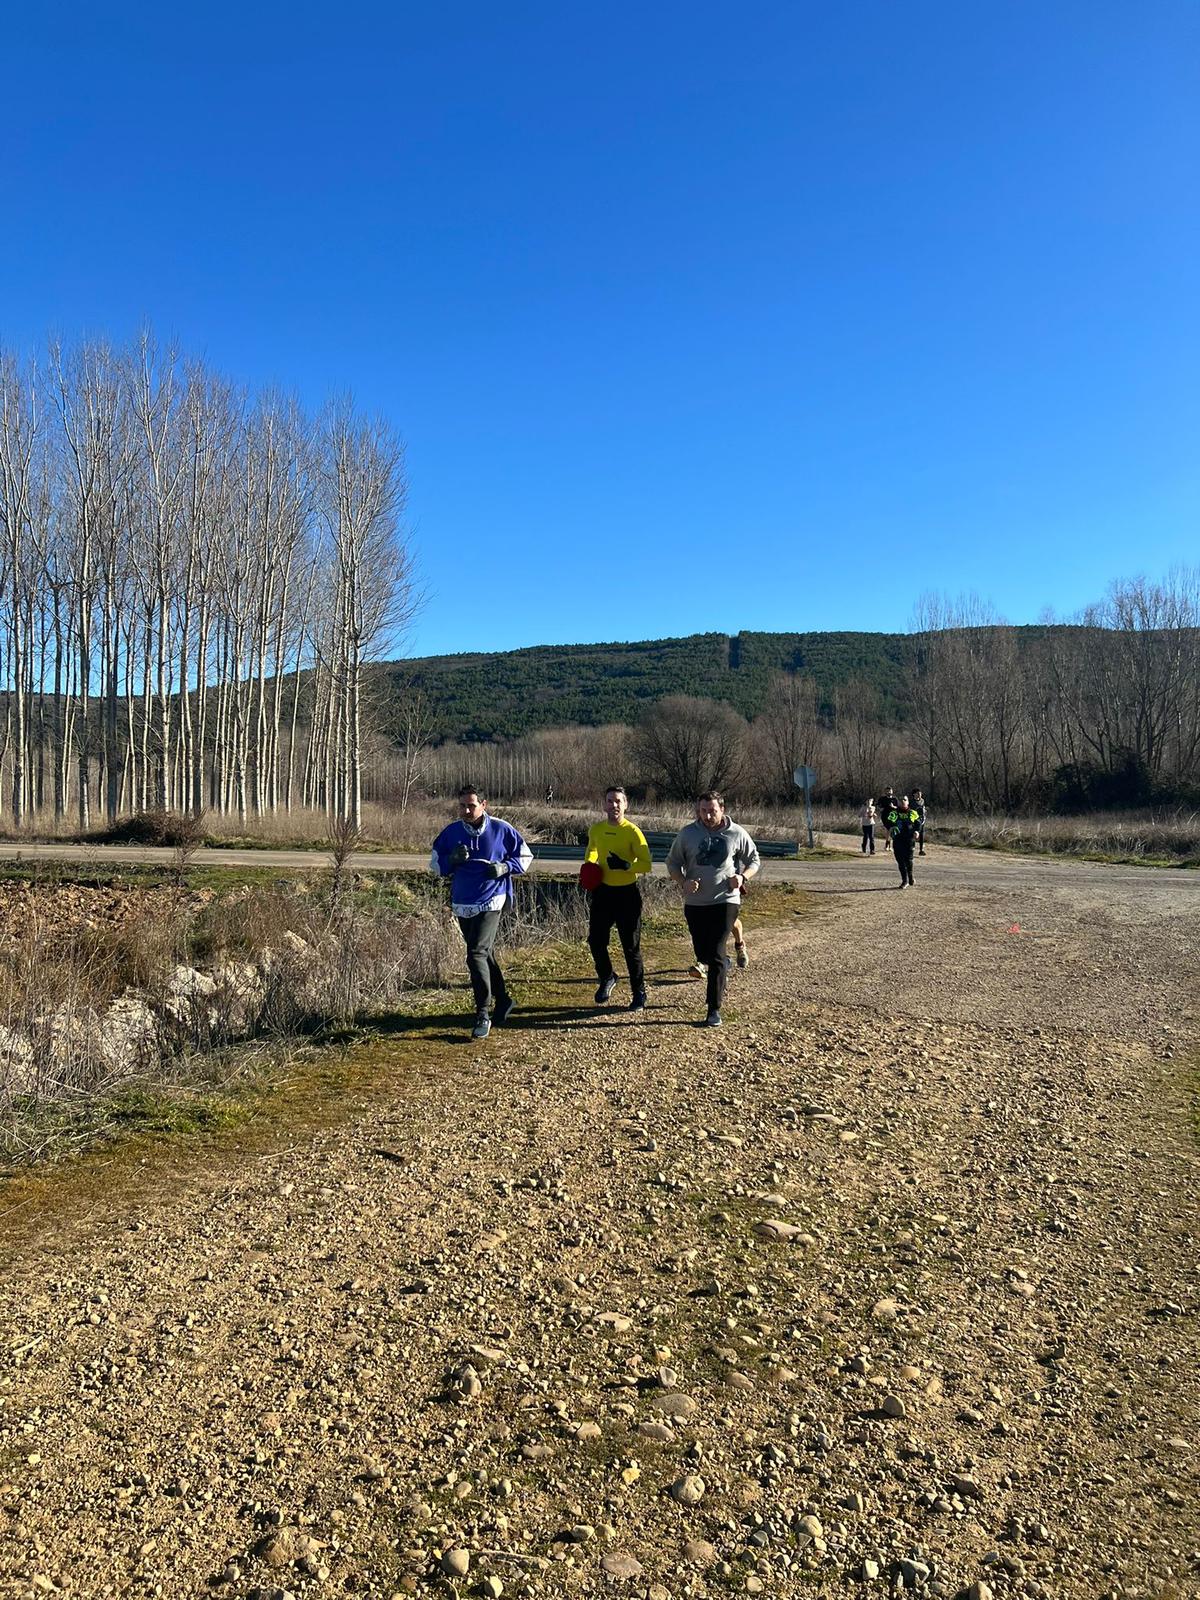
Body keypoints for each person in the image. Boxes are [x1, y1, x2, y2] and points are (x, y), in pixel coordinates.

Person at [431, 785, 532, 1038]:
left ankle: (482, 1013)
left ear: (484, 805)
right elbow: (435, 863)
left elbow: (525, 856)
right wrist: (451, 860)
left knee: (475, 953)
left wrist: (504, 868)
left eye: (471, 806)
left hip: (492, 898)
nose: (466, 810)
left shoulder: (501, 829)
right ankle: (504, 999)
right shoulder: (451, 832)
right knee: (484, 953)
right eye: (462, 806)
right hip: (463, 900)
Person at [667, 792, 760, 1027]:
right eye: (703, 811)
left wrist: (742, 877)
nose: (708, 815)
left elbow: (754, 860)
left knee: (717, 951)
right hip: (696, 903)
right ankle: (722, 963)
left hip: (726, 900)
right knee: (703, 954)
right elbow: (672, 862)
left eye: (712, 810)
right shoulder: (687, 834)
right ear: (698, 811)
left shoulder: (736, 832)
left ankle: (713, 1009)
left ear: (722, 809)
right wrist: (683, 882)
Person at [583, 785, 652, 1009]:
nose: (614, 805)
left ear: (625, 805)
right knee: (595, 941)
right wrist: (590, 864)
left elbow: (647, 864)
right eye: (610, 801)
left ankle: (639, 992)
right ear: (604, 805)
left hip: (627, 895)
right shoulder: (596, 829)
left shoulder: (632, 831)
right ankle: (607, 977)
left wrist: (626, 865)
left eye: (618, 801)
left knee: (630, 947)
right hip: (603, 892)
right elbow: (592, 851)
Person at [882, 792, 920, 888]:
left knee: (908, 860)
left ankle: (910, 876)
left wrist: (917, 831)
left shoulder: (913, 813)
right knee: (900, 861)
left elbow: (918, 823)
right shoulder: (894, 813)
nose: (903, 801)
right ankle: (904, 880)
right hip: (898, 839)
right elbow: (888, 821)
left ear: (908, 802)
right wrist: (892, 827)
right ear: (899, 803)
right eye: (901, 800)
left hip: (909, 839)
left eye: (905, 799)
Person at [878, 787, 897, 852]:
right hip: (885, 816)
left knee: (890, 831)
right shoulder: (882, 799)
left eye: (890, 791)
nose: (889, 792)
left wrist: (893, 807)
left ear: (892, 791)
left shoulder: (894, 799)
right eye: (887, 791)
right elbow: (878, 806)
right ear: (885, 792)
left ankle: (888, 845)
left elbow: (898, 807)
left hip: (893, 817)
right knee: (888, 830)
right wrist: (881, 809)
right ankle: (887, 845)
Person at [913, 789, 927, 855]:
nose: (919, 794)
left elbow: (923, 808)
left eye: (920, 793)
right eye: (918, 793)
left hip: (922, 820)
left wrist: (924, 811)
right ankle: (912, 847)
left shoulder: (922, 800)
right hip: (914, 820)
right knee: (914, 834)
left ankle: (921, 850)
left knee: (922, 834)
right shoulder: (911, 802)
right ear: (914, 794)